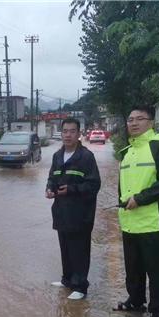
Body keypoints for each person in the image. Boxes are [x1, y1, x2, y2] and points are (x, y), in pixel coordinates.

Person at [114, 105, 159, 317]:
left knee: (156, 268)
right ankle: (136, 301)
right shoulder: (127, 152)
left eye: (139, 119)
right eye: (130, 119)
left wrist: (140, 199)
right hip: (130, 221)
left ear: (150, 122)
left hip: (152, 220)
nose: (133, 123)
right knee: (133, 266)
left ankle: (158, 313)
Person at [46, 118, 101, 300]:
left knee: (79, 250)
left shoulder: (85, 157)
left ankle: (80, 286)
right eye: (65, 131)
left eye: (72, 131)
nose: (68, 135)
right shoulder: (57, 156)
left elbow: (93, 185)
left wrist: (71, 189)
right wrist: (49, 188)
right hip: (61, 212)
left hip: (81, 214)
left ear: (79, 134)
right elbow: (52, 178)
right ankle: (67, 279)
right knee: (65, 248)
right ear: (61, 133)